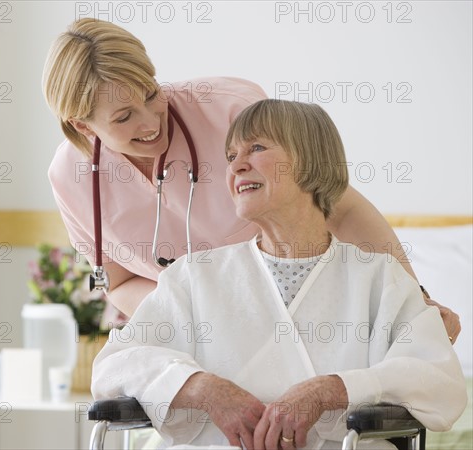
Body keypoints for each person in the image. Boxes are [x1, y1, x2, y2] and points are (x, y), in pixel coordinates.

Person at [42, 18, 460, 341]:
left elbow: (339, 204)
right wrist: (196, 320)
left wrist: (416, 300)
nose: (153, 121)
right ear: (83, 126)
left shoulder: (230, 110)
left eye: (150, 93)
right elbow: (119, 282)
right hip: (195, 335)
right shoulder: (72, 179)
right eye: (123, 117)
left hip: (301, 308)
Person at [91, 99, 467, 450]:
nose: (236, 166)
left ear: (311, 161)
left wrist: (331, 391)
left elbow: (439, 383)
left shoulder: (380, 278)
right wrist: (202, 387)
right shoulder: (194, 276)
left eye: (256, 148)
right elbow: (114, 366)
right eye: (230, 155)